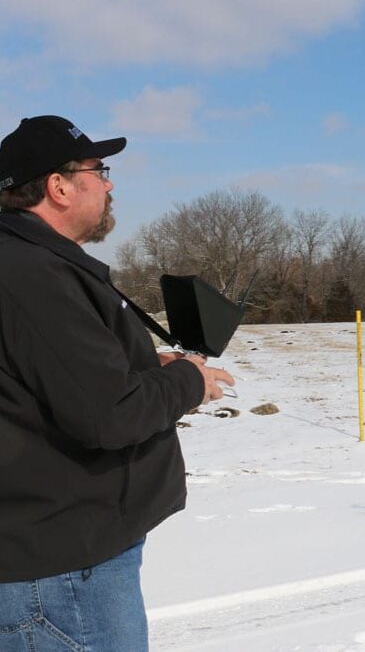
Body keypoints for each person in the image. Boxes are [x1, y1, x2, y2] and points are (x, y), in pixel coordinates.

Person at [0, 115, 235, 651]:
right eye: (98, 170)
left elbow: (49, 374)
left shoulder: (27, 262)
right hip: (61, 573)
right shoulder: (31, 273)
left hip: (54, 559)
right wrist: (187, 383)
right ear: (58, 186)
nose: (109, 184)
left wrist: (145, 361)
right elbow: (108, 414)